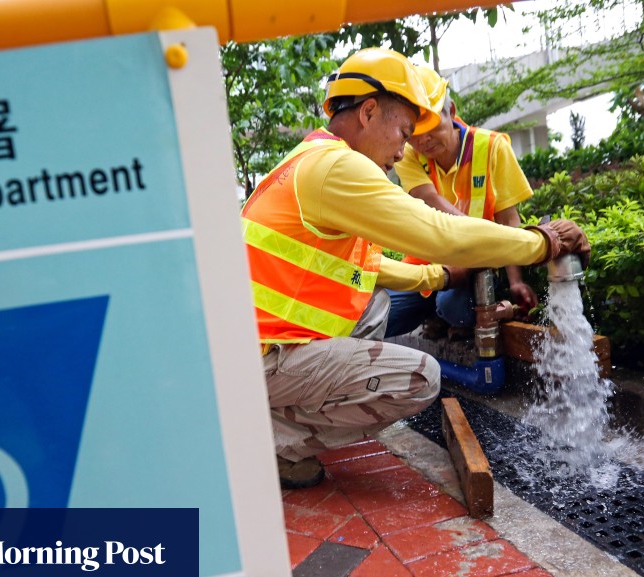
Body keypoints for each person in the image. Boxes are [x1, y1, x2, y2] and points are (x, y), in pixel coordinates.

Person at [239, 48, 590, 489]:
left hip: (250, 351)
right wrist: (543, 243)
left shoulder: (309, 157)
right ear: (369, 112)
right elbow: (440, 232)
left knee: (374, 308)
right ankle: (257, 440)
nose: (405, 148)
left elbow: (367, 269)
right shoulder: (338, 168)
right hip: (257, 362)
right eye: (403, 131)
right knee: (421, 378)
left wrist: (439, 277)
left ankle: (267, 424)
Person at [386, 65, 538, 340]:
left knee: (453, 307)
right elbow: (427, 197)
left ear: (452, 112)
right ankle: (435, 313)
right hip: (427, 267)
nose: (423, 140)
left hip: (476, 266)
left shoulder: (492, 147)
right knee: (381, 316)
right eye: (413, 133)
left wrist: (516, 281)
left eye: (431, 128)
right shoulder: (408, 155)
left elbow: (508, 219)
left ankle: (445, 315)